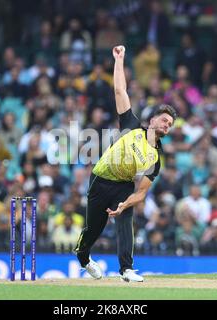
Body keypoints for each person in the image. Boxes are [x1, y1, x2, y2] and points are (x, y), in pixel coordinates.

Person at [74, 46, 177, 282]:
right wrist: (119, 60)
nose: (166, 125)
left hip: (122, 186)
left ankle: (126, 269)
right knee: (94, 229)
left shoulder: (155, 159)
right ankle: (83, 257)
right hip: (100, 179)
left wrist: (124, 205)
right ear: (152, 120)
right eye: (164, 119)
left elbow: (141, 193)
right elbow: (120, 90)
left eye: (170, 124)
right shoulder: (131, 125)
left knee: (126, 220)